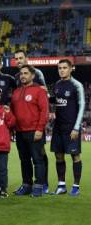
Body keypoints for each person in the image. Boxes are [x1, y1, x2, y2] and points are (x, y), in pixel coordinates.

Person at [13, 49, 49, 193]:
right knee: (24, 160)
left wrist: (40, 129)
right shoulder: (15, 92)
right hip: (20, 132)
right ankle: (26, 185)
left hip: (35, 132)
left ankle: (39, 186)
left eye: (26, 73)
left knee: (38, 160)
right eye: (21, 74)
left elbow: (44, 112)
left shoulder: (39, 91)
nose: (23, 76)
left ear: (33, 75)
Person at [50, 59, 85, 196]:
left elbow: (82, 106)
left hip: (71, 127)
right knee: (58, 155)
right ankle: (61, 185)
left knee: (75, 155)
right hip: (58, 127)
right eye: (59, 68)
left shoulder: (77, 85)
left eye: (64, 67)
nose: (62, 70)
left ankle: (76, 186)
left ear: (71, 69)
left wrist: (76, 128)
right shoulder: (57, 85)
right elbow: (55, 100)